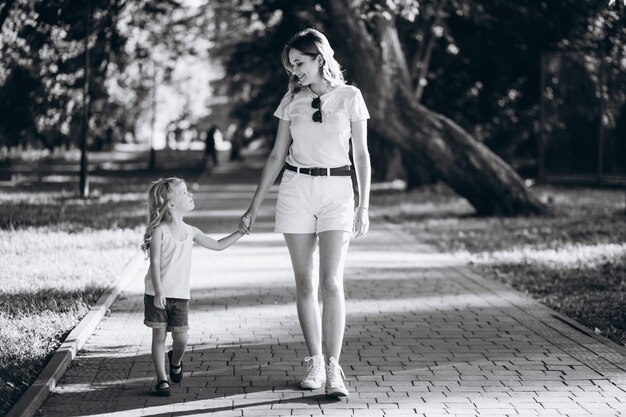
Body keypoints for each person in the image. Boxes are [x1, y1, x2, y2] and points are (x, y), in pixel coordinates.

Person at [238, 28, 371, 398]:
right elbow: (277, 156)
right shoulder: (291, 101)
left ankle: (334, 368)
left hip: (337, 192)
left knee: (331, 282)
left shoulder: (350, 97)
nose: (294, 70)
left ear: (320, 59)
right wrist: (253, 207)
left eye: (299, 63)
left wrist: (364, 205)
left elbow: (361, 155)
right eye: (290, 65)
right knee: (306, 284)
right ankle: (314, 361)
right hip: (296, 190)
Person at [141, 177, 244, 397]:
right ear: (171, 204)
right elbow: (155, 262)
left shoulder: (191, 231)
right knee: (158, 337)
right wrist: (159, 291)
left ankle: (175, 361)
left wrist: (240, 233)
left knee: (181, 339)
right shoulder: (160, 231)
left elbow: (217, 245)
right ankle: (162, 380)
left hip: (179, 296)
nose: (190, 195)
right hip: (156, 293)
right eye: (185, 192)